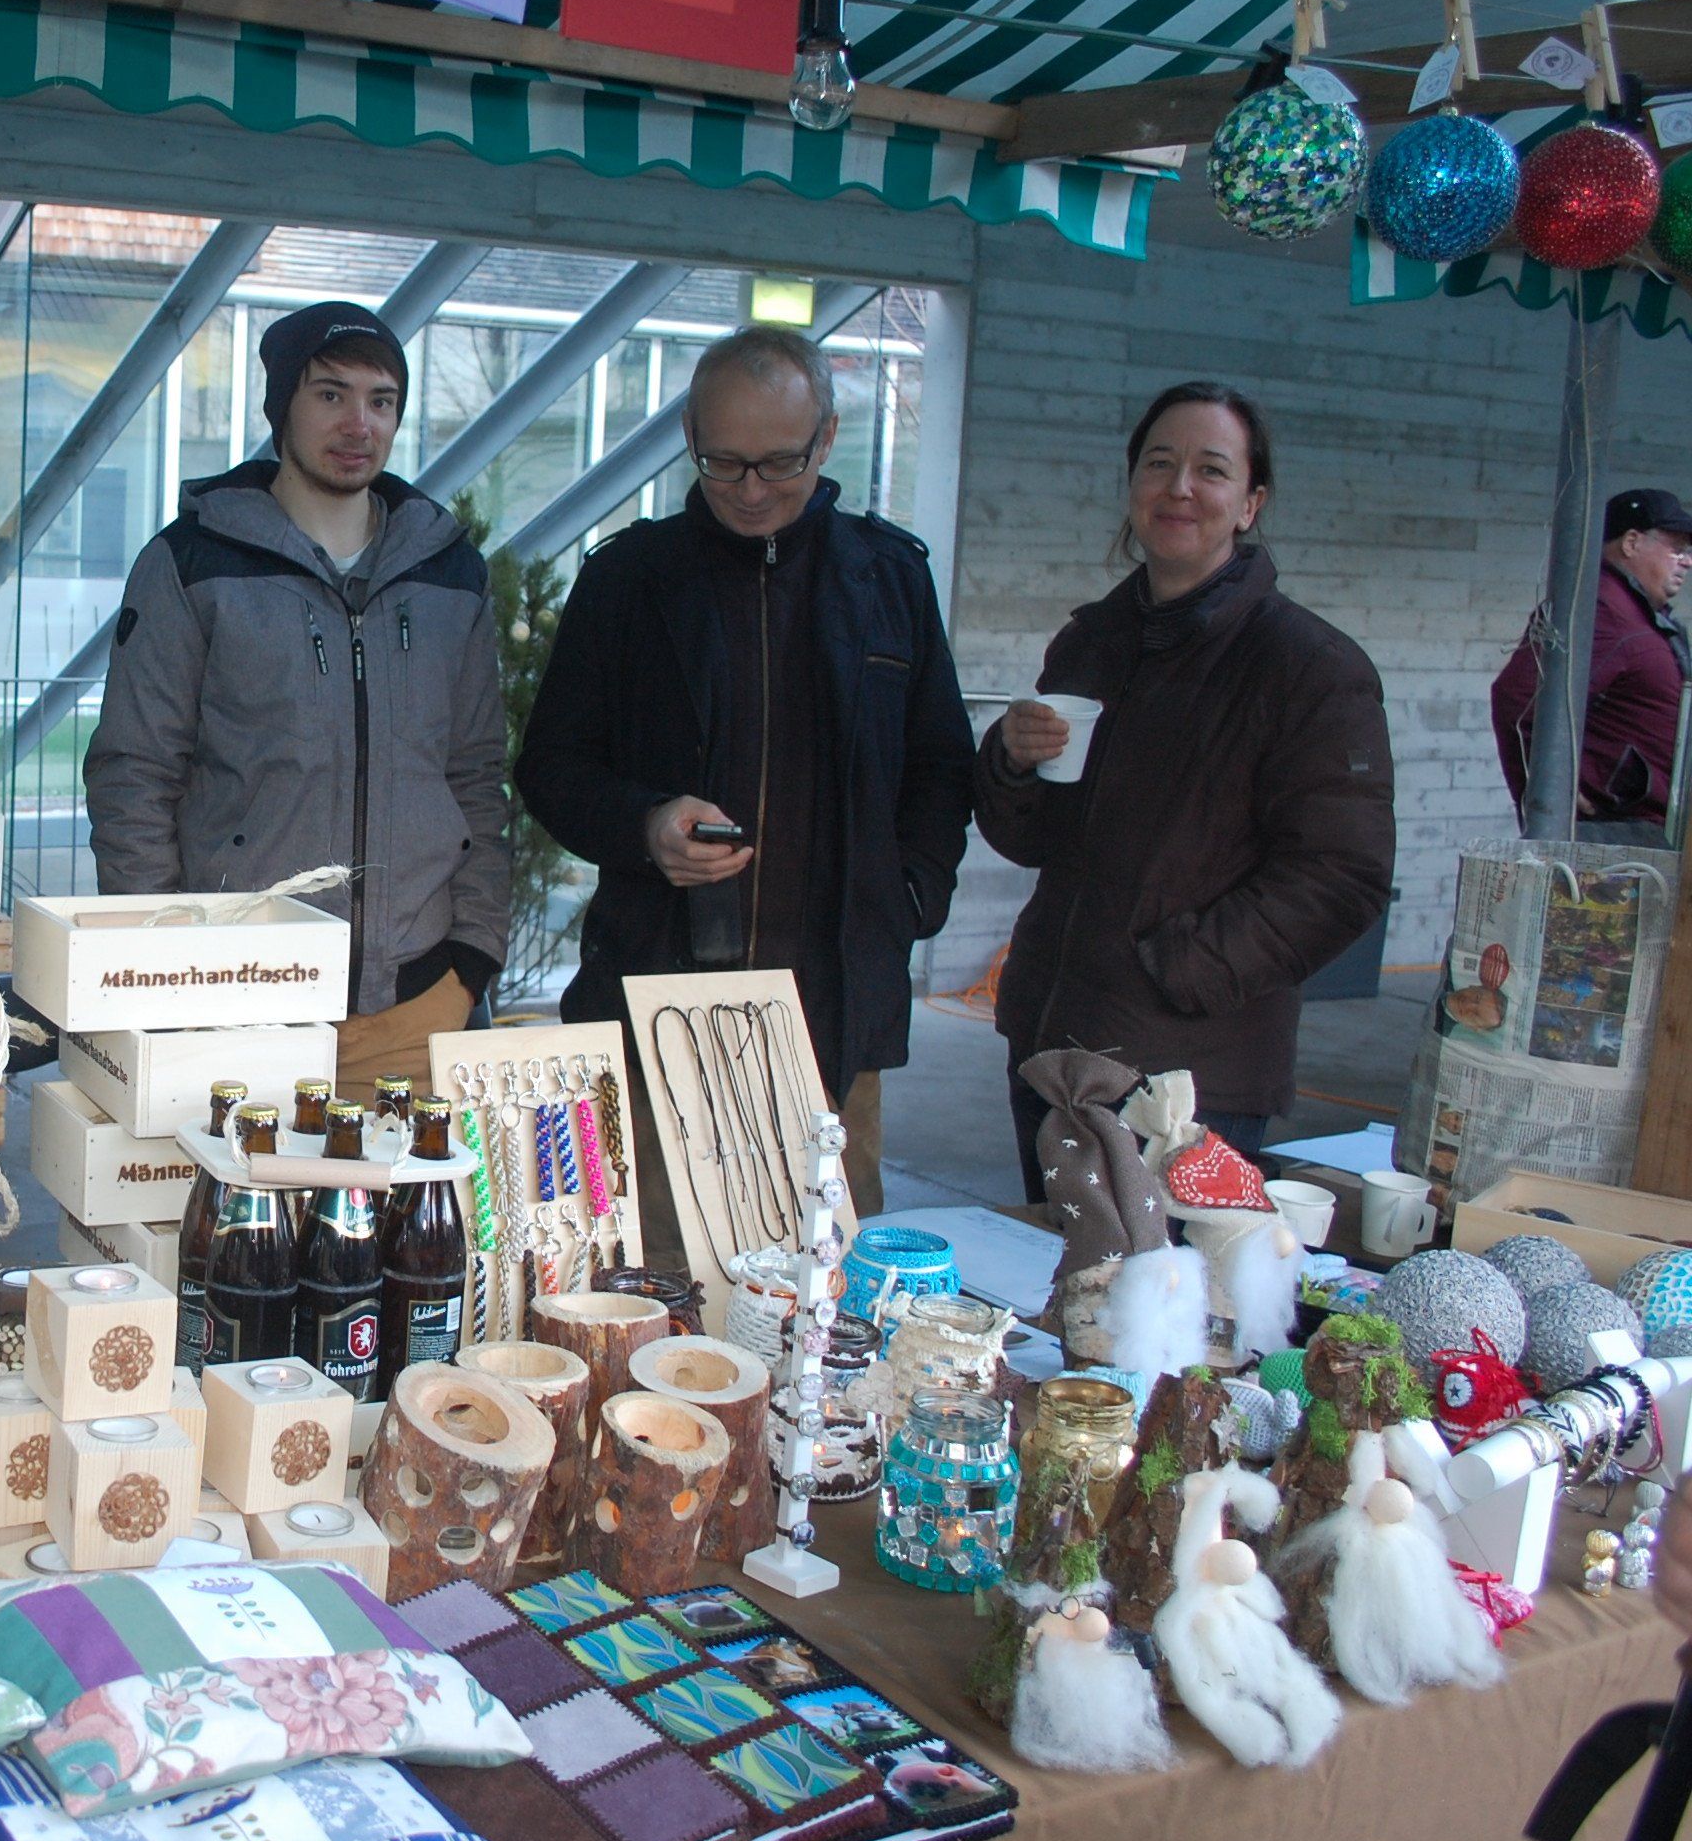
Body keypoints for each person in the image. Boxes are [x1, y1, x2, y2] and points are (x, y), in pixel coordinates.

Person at [513, 326, 972, 1219]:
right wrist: (645, 825)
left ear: (827, 438)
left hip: (832, 1015)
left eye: (778, 463)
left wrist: (911, 896)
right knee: (648, 1264)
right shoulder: (628, 580)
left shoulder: (890, 580)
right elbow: (551, 766)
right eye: (722, 463)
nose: (751, 490)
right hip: (654, 1004)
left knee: (824, 1268)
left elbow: (941, 766)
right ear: (690, 434)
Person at [978, 382, 1394, 1202]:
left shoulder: (1308, 667)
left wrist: (1182, 969)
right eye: (1159, 464)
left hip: (1189, 1078)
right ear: (1132, 483)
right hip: (1053, 1049)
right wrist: (1011, 762)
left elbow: (1342, 876)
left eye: (1211, 470)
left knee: (1161, 1283)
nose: (1179, 488)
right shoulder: (1093, 642)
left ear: (1251, 502)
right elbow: (1031, 839)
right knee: (1061, 1271)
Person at [83, 301, 510, 1090]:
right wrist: (165, 963)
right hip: (238, 997)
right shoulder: (194, 563)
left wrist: (473, 957)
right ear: (281, 406)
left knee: (415, 1181)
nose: (359, 424)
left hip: (419, 1001)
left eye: (381, 401)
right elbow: (134, 774)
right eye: (330, 394)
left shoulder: (450, 574)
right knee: (233, 1180)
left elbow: (477, 776)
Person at [1490, 488, 1691, 845]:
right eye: (1677, 548)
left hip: (1643, 825)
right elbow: (1517, 698)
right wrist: (1546, 792)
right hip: (1616, 829)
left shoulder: (1634, 612)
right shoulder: (1600, 610)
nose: (1687, 561)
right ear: (1631, 542)